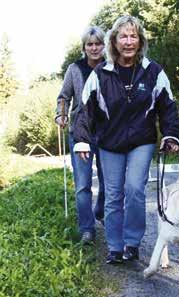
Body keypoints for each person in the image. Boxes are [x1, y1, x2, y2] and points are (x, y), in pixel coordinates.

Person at [73, 15, 179, 264]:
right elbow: (85, 110)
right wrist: (82, 140)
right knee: (112, 194)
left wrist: (171, 134)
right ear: (114, 41)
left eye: (133, 36)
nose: (128, 41)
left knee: (134, 189)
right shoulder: (101, 73)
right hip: (110, 143)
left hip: (142, 140)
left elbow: (168, 106)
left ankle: (132, 243)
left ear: (140, 40)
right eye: (123, 36)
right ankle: (115, 246)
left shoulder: (153, 71)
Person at [56, 26, 106, 245]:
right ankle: (87, 229)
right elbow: (64, 96)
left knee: (109, 182)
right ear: (84, 47)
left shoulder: (111, 67)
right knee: (83, 184)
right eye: (90, 44)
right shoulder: (74, 69)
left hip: (107, 132)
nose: (94, 48)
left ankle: (101, 211)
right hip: (80, 132)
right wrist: (61, 115)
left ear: (105, 45)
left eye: (98, 43)